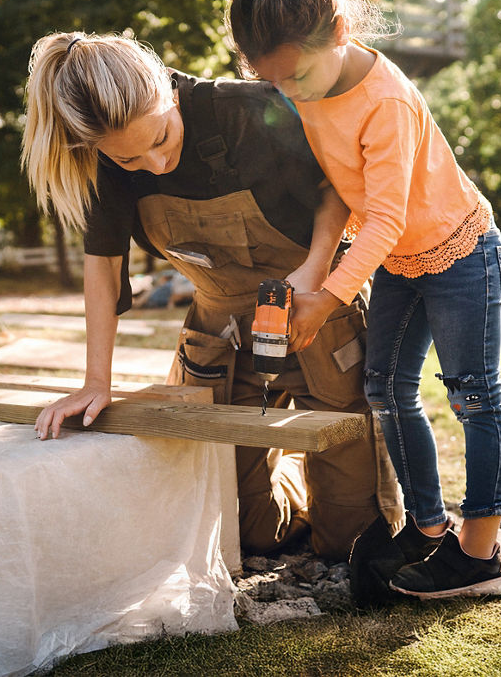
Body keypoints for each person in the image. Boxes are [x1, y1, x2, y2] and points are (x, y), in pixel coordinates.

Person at [225, 0, 501, 601]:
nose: (286, 92)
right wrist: (313, 269)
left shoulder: (384, 101)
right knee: (384, 389)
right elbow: (336, 192)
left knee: (474, 397)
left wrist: (326, 300)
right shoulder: (305, 87)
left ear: (340, 30)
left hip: (459, 251)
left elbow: (383, 218)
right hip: (399, 262)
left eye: (294, 75)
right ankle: (427, 528)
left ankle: (479, 558)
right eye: (269, 79)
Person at [20, 32, 402, 562]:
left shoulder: (247, 110)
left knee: (354, 540)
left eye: (161, 138)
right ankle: (295, 477)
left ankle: (330, 488)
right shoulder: (104, 159)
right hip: (219, 336)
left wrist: (314, 276)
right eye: (130, 160)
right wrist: (95, 382)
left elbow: (330, 189)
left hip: (316, 314)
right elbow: (103, 265)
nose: (155, 164)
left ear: (168, 92)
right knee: (240, 529)